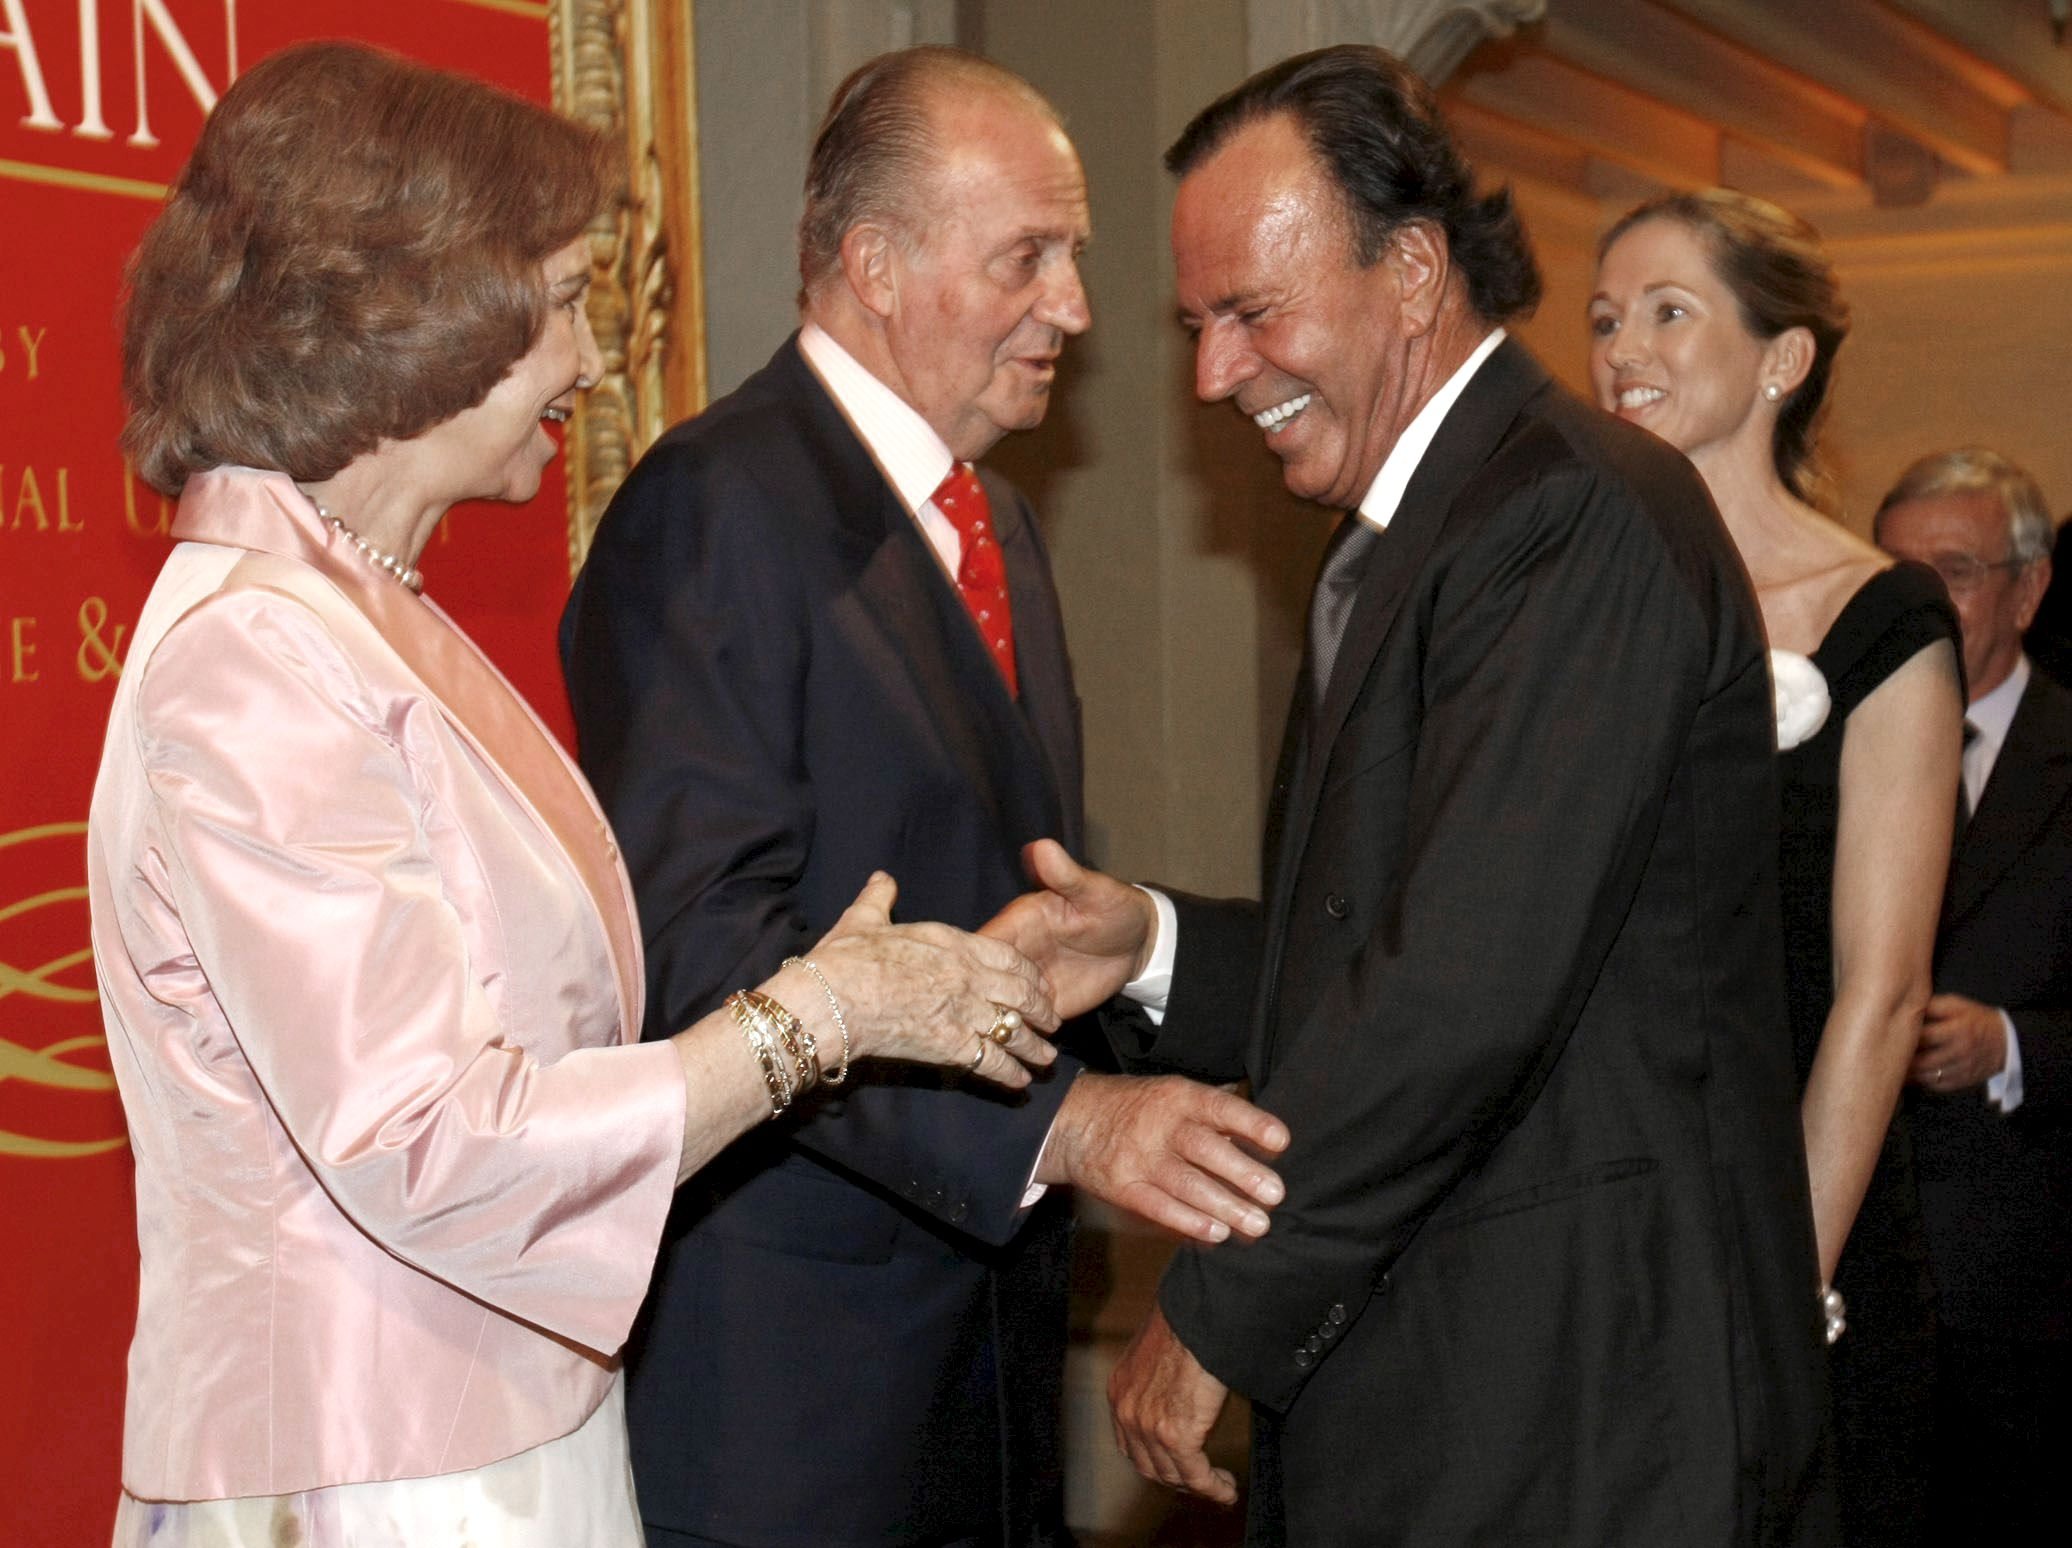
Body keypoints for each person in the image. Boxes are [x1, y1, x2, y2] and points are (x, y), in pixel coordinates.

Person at [91, 41, 1063, 1548]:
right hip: (371, 1478)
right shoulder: (255, 662)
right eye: (555, 304)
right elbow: (434, 1147)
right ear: (412, 309)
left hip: (481, 1437)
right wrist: (818, 1017)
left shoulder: (343, 618)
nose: (591, 364)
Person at [988, 45, 1834, 1546]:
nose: (1213, 376)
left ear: (1416, 271)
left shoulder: (1570, 515)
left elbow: (1465, 988)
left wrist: (1227, 1306)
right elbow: (1382, 943)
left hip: (1587, 1404)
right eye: (1195, 327)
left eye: (1252, 313)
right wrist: (1155, 948)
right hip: (1487, 1392)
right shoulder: (1428, 530)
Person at [559, 46, 1287, 1548]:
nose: (1075, 309)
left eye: (1072, 258)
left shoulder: (994, 520)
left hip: (981, 1388)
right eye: (1028, 257)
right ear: (875, 266)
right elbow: (699, 948)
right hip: (794, 1408)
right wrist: (1065, 1128)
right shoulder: (713, 505)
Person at [1591, 189, 1963, 1545]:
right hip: (1605, 1202)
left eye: (1668, 312)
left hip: (1793, 1203)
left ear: (1781, 360)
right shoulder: (1578, 607)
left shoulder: (1883, 616)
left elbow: (1881, 990)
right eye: (1603, 319)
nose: (1622, 349)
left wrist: (1774, 1287)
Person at [1873, 448, 2072, 1546]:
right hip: (1859, 1295)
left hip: (2030, 1308)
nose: (1918, 603)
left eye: (1950, 573)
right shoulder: (1819, 758)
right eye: (1894, 573)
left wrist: (2008, 1046)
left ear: (2028, 590)